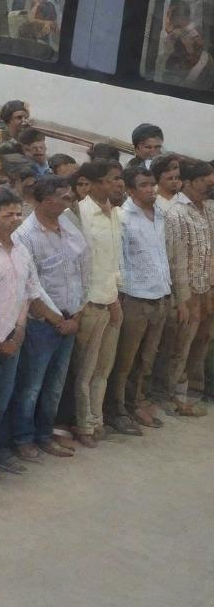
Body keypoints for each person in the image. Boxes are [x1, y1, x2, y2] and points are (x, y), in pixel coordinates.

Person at [0, 189, 55, 475]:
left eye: (19, 213)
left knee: (0, 403)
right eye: (9, 215)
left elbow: (27, 292)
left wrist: (18, 331)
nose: (16, 219)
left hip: (12, 337)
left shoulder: (21, 248)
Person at [10, 177, 89, 462]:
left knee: (55, 385)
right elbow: (30, 287)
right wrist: (58, 319)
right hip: (43, 323)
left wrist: (78, 314)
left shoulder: (69, 224)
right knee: (31, 385)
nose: (69, 198)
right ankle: (23, 438)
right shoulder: (26, 235)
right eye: (62, 195)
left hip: (71, 318)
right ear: (43, 201)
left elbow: (83, 268)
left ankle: (44, 434)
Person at [107, 166, 170, 433]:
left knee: (146, 359)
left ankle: (136, 403)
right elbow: (119, 262)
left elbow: (161, 255)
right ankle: (117, 410)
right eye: (143, 185)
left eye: (152, 184)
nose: (151, 189)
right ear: (131, 190)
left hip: (159, 295)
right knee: (125, 361)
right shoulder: (123, 218)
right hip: (134, 298)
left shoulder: (159, 215)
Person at [73, 160, 124, 447]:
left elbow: (113, 260)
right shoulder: (80, 213)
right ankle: (84, 424)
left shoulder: (113, 212)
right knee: (85, 370)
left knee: (104, 368)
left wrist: (116, 295)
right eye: (109, 180)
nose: (115, 185)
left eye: (118, 180)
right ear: (91, 183)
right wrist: (85, 305)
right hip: (90, 302)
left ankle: (97, 418)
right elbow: (83, 264)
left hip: (110, 300)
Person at [163, 158, 214, 417]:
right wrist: (184, 299)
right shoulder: (176, 213)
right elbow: (176, 259)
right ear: (189, 182)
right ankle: (174, 397)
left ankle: (194, 391)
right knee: (180, 347)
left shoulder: (208, 210)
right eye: (206, 184)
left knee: (201, 342)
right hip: (187, 291)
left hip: (207, 288)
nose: (209, 189)